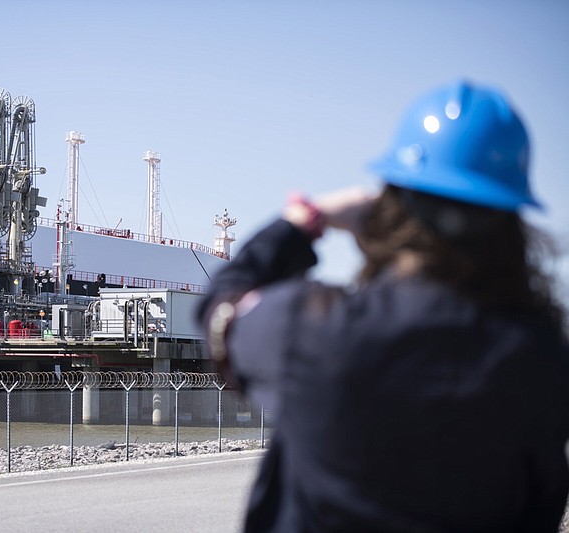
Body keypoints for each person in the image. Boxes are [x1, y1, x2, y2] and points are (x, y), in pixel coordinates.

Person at [198, 81, 569, 532]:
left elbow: (219, 311)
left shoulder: (314, 329)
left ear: (392, 207)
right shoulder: (544, 359)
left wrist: (300, 224)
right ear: (511, 221)